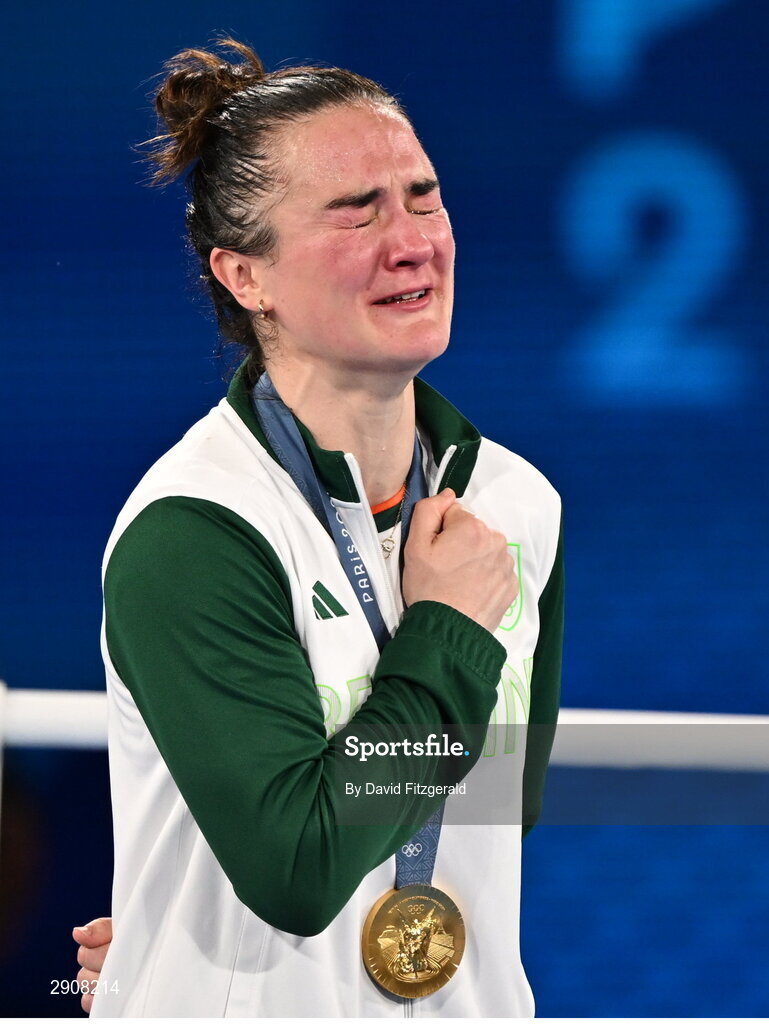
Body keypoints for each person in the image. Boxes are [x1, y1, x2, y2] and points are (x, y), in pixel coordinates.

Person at [74, 39, 564, 1017]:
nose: (411, 238)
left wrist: (180, 913)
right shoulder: (198, 530)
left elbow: (494, 811)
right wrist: (448, 636)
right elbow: (299, 868)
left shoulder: (514, 500)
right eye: (357, 210)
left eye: (422, 195)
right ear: (245, 276)